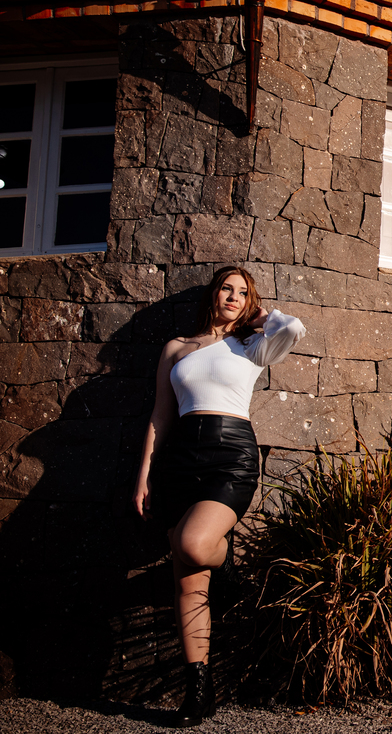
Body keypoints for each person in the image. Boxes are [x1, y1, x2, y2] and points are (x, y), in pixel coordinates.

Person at [133, 266, 306, 727]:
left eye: (242, 292)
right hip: (179, 459)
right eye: (227, 289)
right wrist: (145, 474)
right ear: (213, 294)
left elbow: (293, 328)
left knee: (191, 544)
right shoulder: (176, 349)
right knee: (188, 581)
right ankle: (199, 690)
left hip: (230, 454)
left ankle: (224, 559)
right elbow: (159, 416)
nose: (233, 296)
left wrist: (258, 315)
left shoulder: (252, 344)